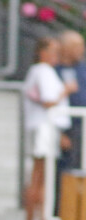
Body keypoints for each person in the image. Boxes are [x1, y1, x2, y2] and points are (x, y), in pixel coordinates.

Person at [23, 37, 75, 220]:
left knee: (41, 177)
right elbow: (48, 102)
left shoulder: (41, 71)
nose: (56, 55)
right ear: (42, 52)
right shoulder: (42, 71)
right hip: (43, 128)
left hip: (46, 128)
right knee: (40, 178)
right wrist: (67, 90)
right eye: (53, 50)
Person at [56, 31, 86, 174]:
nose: (81, 49)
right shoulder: (54, 70)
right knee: (66, 168)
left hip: (83, 126)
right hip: (66, 127)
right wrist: (60, 134)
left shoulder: (83, 69)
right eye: (77, 46)